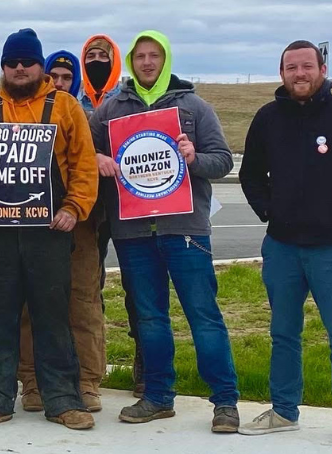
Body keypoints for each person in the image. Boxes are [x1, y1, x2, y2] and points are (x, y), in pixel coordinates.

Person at [88, 30, 239, 432]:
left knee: (203, 316)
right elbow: (81, 150)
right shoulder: (109, 109)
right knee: (150, 318)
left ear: (166, 59)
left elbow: (222, 160)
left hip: (184, 229)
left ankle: (225, 401)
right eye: (141, 56)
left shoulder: (194, 106)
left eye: (155, 55)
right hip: (133, 232)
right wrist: (99, 156)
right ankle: (157, 396)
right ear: (131, 62)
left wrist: (194, 158)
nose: (148, 62)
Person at [0, 29, 97, 430]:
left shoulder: (65, 108)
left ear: (39, 66)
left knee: (52, 316)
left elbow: (84, 166)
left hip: (48, 232)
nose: (18, 69)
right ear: (3, 68)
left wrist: (74, 208)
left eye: (26, 62)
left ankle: (63, 400)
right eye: (11, 63)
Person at [237, 40, 332, 448]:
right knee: (283, 332)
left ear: (322, 68)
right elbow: (250, 175)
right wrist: (269, 212)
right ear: (281, 73)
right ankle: (283, 410)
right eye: (291, 67)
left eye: (306, 66)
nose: (299, 74)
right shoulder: (267, 118)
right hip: (281, 247)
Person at [16, 50, 106, 414]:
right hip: (26, 225)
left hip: (78, 226)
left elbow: (87, 168)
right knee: (29, 305)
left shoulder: (81, 117)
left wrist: (74, 207)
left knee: (82, 304)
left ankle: (86, 381)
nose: (59, 83)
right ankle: (33, 381)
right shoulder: (20, 117)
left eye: (67, 78)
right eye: (52, 75)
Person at [80, 34, 144, 398]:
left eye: (104, 55)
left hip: (130, 203)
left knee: (138, 285)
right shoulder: (74, 100)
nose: (97, 60)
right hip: (89, 208)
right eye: (91, 55)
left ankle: (144, 361)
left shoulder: (126, 99)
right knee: (90, 285)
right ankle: (92, 363)